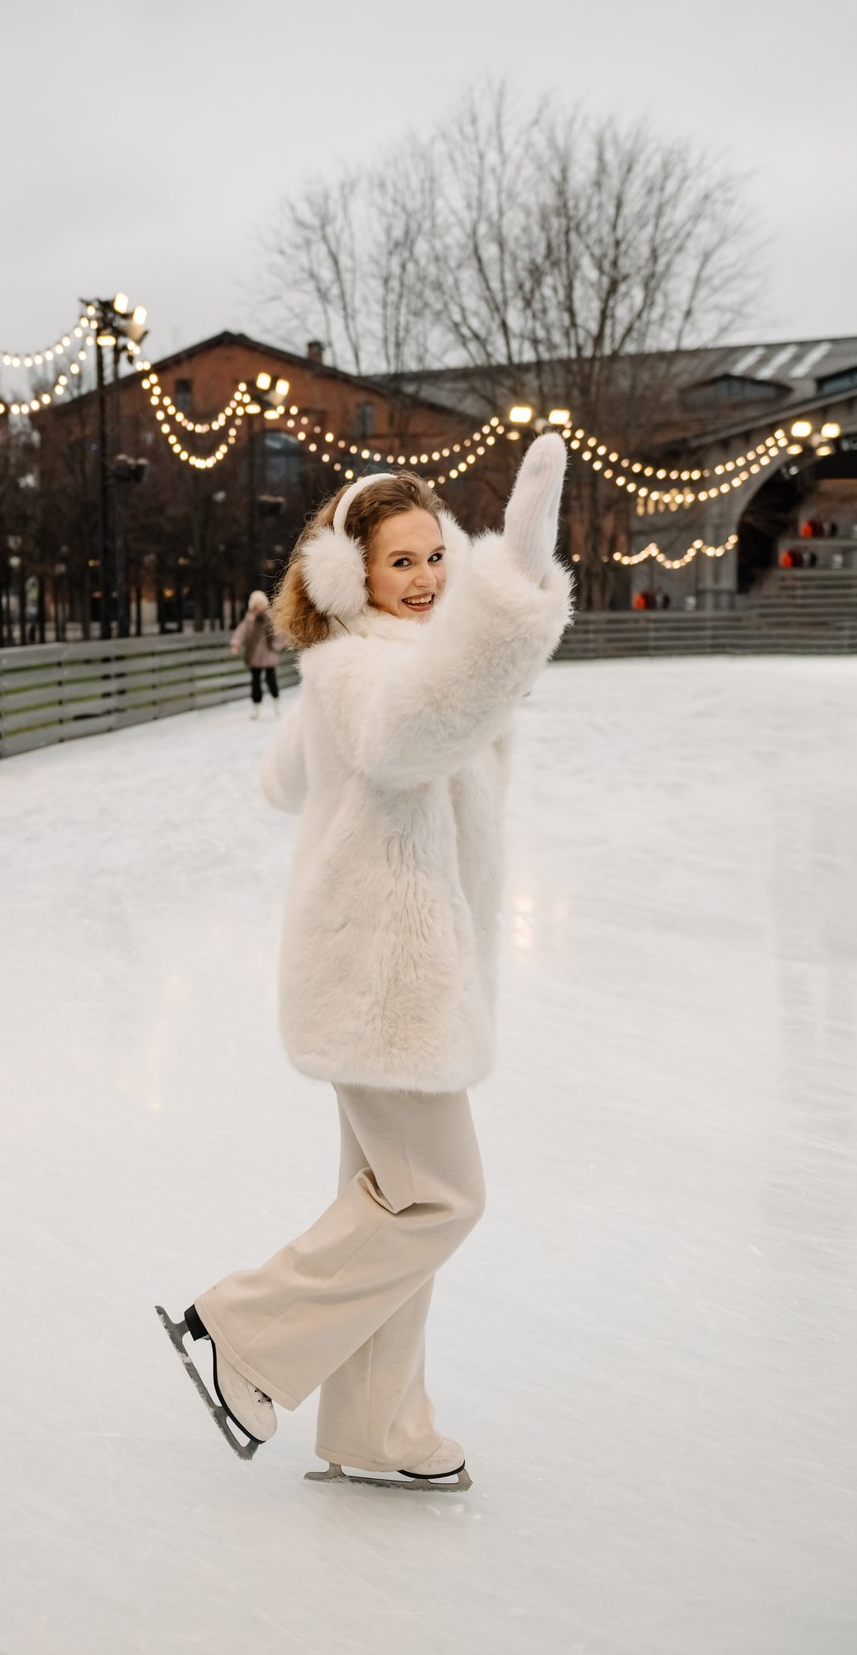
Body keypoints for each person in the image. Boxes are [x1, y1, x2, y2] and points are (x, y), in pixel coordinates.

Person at [159, 436, 571, 1490]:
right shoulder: (363, 673)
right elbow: (409, 732)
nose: (429, 579)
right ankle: (239, 1333)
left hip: (390, 974)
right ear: (352, 574)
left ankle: (374, 1428)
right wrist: (513, 593)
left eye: (440, 557)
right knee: (440, 1197)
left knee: (393, 1201)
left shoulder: (353, 672)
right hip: (386, 980)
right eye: (403, 563)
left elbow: (285, 777)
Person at [230, 589, 282, 719]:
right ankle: (256, 708)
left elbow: (279, 635)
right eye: (257, 604)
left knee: (271, 681)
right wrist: (235, 644)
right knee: (255, 683)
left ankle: (277, 704)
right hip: (255, 657)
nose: (260, 607)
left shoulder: (271, 618)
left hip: (269, 656)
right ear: (252, 606)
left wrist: (276, 646)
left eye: (262, 604)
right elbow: (240, 633)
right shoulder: (249, 621)